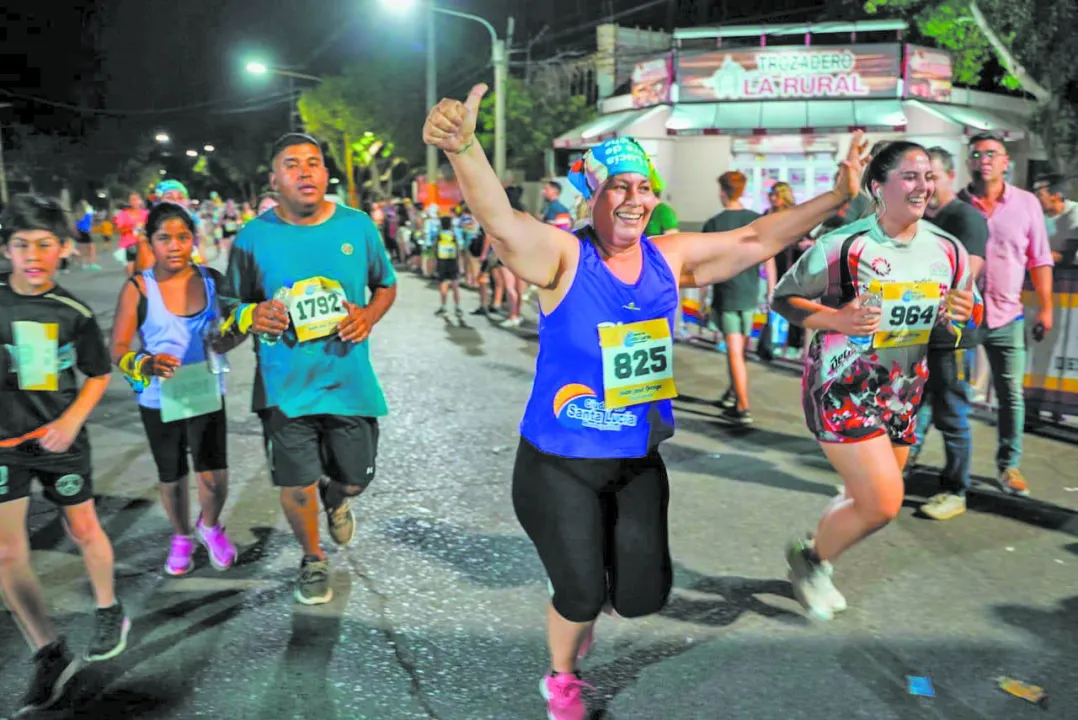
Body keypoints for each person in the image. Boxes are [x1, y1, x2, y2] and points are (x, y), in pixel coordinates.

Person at [423, 82, 867, 720]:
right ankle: (562, 676)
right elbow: (502, 221)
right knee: (580, 596)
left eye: (642, 187)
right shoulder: (564, 256)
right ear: (593, 195)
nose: (634, 199)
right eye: (618, 187)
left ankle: (584, 583)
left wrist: (837, 196)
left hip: (636, 459)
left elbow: (755, 240)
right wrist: (465, 148)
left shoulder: (669, 257)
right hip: (559, 461)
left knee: (641, 598)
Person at [771, 141, 976, 622]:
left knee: (864, 496)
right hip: (841, 386)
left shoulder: (949, 249)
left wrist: (964, 313)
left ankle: (817, 549)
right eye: (909, 176)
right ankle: (811, 561)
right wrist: (836, 319)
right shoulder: (843, 245)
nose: (923, 186)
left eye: (928, 176)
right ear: (878, 186)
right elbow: (783, 299)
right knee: (883, 503)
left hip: (902, 390)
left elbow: (958, 318)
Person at [221, 133, 397, 605]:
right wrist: (251, 314)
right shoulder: (252, 237)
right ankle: (313, 557)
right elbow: (230, 304)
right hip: (285, 387)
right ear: (274, 180)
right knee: (296, 485)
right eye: (292, 164)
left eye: (313, 162)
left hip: (348, 383)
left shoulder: (357, 226)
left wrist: (368, 315)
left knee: (356, 478)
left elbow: (385, 284)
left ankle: (336, 498)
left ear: (325, 173)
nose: (305, 171)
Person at [0, 195, 131, 715]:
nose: (33, 256)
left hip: (60, 441)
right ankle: (48, 652)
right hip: (4, 447)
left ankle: (108, 607)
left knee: (83, 529)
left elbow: (98, 373)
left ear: (63, 249)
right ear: (6, 249)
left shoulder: (72, 312)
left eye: (44, 245)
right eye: (22, 245)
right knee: (7, 553)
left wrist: (71, 421)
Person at [110, 203, 243, 576]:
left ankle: (210, 526)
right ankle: (181, 535)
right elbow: (117, 348)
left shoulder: (213, 281)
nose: (174, 246)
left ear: (194, 240)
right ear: (150, 242)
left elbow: (238, 324)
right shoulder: (138, 288)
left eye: (183, 237)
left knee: (214, 478)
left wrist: (227, 339)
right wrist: (145, 364)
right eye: (164, 238)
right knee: (172, 476)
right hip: (158, 398)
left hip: (204, 390)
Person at [957, 131, 1054, 496]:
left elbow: (1039, 258)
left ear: (1005, 162)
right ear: (968, 162)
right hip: (961, 316)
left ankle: (1009, 465)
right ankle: (923, 461)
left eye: (991, 154)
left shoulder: (1026, 204)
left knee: (1011, 394)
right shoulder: (956, 205)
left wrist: (1046, 307)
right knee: (947, 391)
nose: (983, 160)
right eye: (976, 154)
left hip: (1007, 316)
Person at [908, 147, 988, 521]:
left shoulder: (965, 218)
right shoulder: (919, 219)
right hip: (916, 331)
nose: (924, 185)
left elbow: (966, 276)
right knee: (910, 408)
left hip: (950, 336)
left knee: (952, 414)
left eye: (932, 176)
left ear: (951, 176)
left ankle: (955, 490)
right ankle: (896, 472)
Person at [705, 171, 769, 426]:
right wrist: (771, 289)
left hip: (727, 293)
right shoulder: (756, 220)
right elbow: (768, 257)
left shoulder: (714, 224)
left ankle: (743, 406)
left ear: (723, 191)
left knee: (734, 352)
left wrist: (703, 297)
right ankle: (732, 393)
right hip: (751, 293)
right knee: (740, 349)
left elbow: (704, 264)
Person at [1033, 173, 1078, 267]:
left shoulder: (1074, 212)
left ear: (1056, 197)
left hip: (1068, 271)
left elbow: (1069, 256)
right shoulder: (1036, 215)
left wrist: (1039, 256)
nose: (1035, 198)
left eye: (1040, 194)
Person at [434, 215, 464, 317]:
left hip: (442, 260)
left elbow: (435, 248)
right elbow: (459, 248)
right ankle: (457, 307)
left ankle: (443, 306)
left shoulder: (439, 235)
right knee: (455, 284)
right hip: (452, 260)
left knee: (443, 283)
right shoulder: (454, 235)